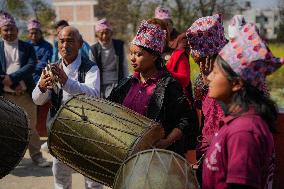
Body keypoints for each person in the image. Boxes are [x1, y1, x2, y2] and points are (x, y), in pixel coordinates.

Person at [203, 22, 283, 189]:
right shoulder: (239, 121)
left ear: (237, 83)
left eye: (216, 72)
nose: (209, 77)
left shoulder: (244, 132)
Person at [108, 20, 196, 156]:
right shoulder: (126, 84)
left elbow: (186, 118)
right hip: (128, 154)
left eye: (139, 54)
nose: (132, 58)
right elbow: (109, 110)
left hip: (159, 157)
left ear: (154, 56)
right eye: (131, 53)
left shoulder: (168, 85)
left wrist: (167, 141)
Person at [32, 26, 102, 189]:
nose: (65, 45)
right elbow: (37, 100)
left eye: (70, 41)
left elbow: (93, 95)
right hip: (60, 133)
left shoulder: (91, 68)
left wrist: (66, 82)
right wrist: (41, 86)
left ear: (80, 44)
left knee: (93, 181)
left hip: (87, 132)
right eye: (62, 41)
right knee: (61, 179)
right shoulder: (51, 68)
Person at [0, 11, 50, 167]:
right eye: (5, 29)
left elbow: (31, 65)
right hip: (5, 96)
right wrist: (4, 79)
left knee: (31, 127)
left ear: (17, 30)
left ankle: (37, 156)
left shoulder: (27, 47)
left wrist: (12, 78)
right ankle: (8, 160)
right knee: (6, 129)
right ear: (1, 30)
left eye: (11, 29)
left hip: (25, 95)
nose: (9, 32)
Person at [186, 14, 228, 184]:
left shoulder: (232, 82)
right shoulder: (202, 82)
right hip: (205, 155)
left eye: (204, 61)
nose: (202, 67)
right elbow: (200, 120)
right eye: (198, 62)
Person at [91, 18, 129, 98]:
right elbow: (93, 71)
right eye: (101, 33)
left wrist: (127, 83)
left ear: (111, 33)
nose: (104, 36)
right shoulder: (93, 49)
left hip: (117, 83)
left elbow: (124, 65)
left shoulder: (119, 45)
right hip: (101, 85)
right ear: (97, 34)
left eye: (107, 33)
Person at [27, 19, 53, 83]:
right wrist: (35, 62)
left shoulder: (47, 46)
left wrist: (29, 66)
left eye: (36, 33)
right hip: (26, 80)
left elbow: (44, 63)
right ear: (28, 34)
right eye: (31, 33)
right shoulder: (25, 46)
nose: (34, 36)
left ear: (40, 33)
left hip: (41, 79)